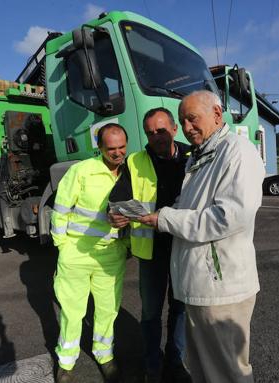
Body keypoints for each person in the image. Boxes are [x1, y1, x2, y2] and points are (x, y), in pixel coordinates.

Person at [138, 90, 265, 383]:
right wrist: (152, 212)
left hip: (221, 289)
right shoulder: (201, 154)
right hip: (201, 284)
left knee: (228, 371)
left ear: (217, 114)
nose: (187, 127)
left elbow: (229, 216)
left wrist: (164, 218)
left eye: (192, 118)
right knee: (204, 367)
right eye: (183, 121)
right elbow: (188, 205)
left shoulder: (237, 151)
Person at [108, 108, 191, 382]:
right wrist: (115, 215)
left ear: (175, 129)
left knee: (180, 308)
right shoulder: (135, 161)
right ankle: (152, 365)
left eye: (161, 131)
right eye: (150, 132)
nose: (156, 137)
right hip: (151, 251)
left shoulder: (194, 157)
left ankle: (175, 359)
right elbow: (118, 198)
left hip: (184, 247)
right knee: (151, 312)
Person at [51, 123, 129, 383]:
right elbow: (60, 209)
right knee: (73, 313)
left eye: (121, 148)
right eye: (111, 149)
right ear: (99, 147)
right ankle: (66, 363)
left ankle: (105, 356)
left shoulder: (130, 173)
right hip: (77, 255)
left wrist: (127, 246)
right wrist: (62, 246)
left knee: (108, 310)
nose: (117, 153)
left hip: (111, 256)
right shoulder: (81, 171)